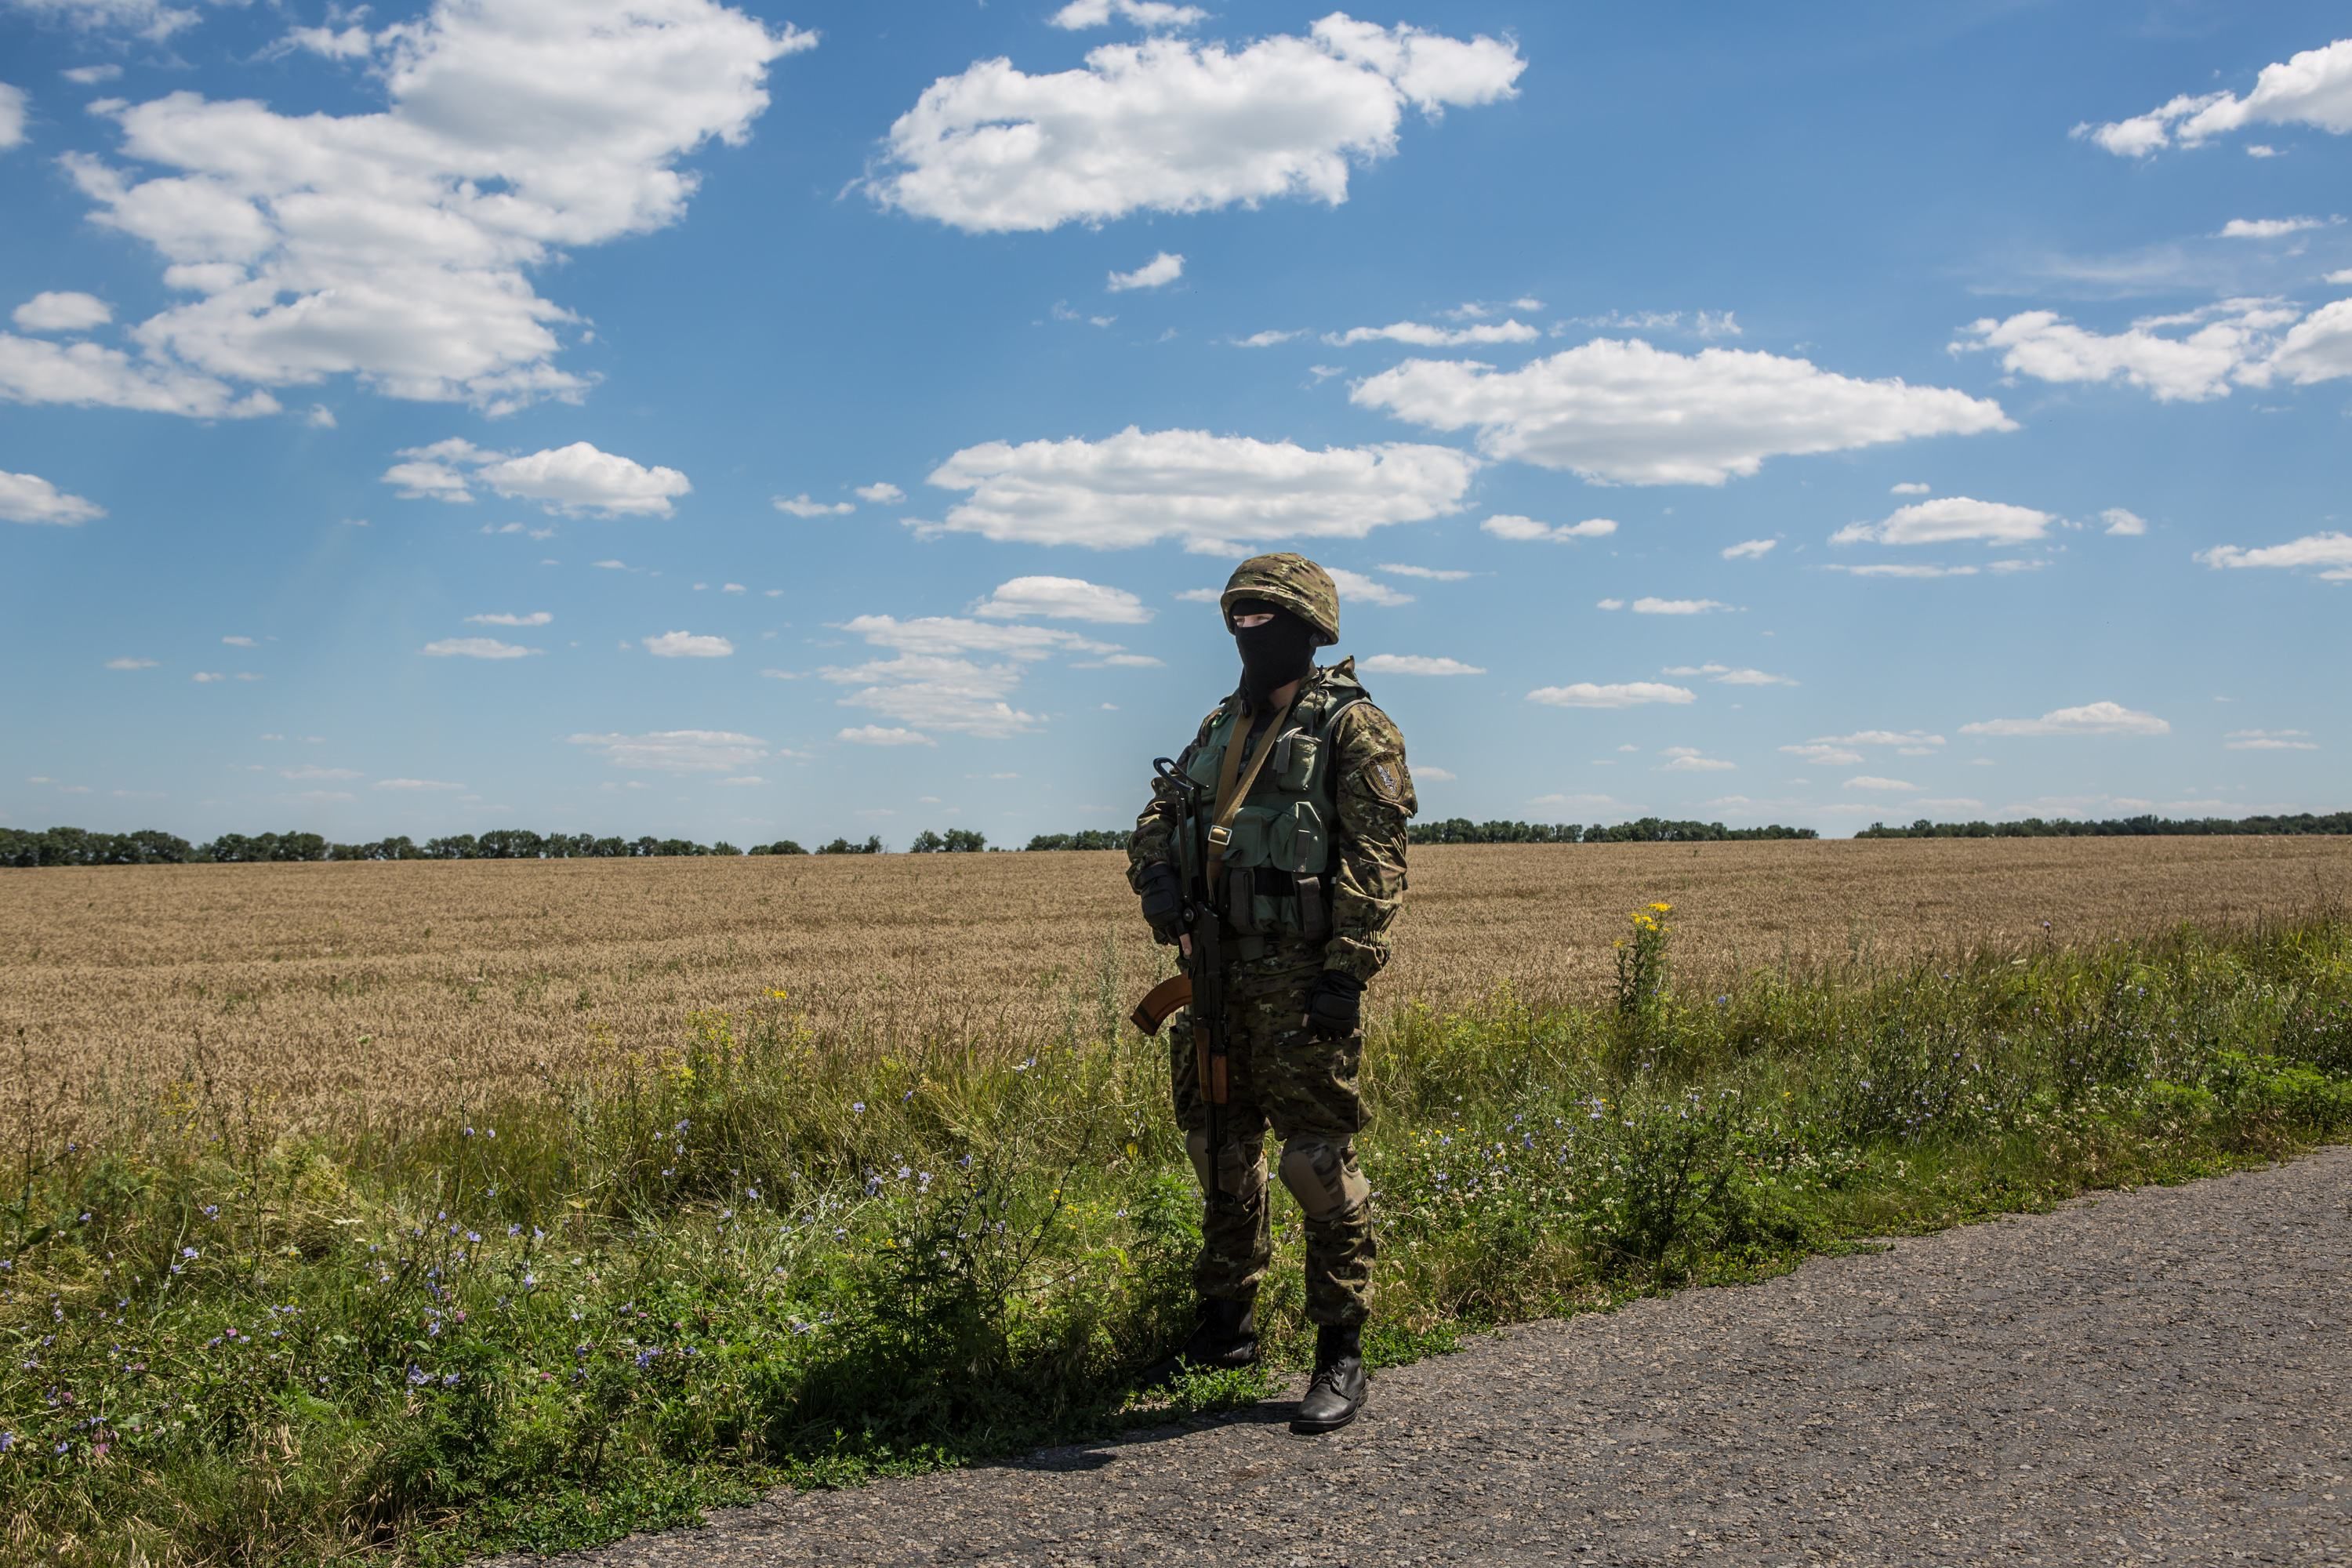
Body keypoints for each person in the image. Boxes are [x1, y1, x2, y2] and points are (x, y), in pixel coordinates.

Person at [1127, 551, 1416, 1434]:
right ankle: (1226, 1326)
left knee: (1314, 1164)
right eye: (1237, 616)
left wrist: (1347, 973)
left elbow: (1377, 858)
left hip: (1301, 981)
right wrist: (1157, 882)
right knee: (1219, 1150)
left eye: (1265, 616)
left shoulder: (1353, 728)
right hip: (1215, 977)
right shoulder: (1220, 725)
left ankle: (1341, 1350)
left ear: (1307, 625)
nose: (1248, 630)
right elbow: (1153, 820)